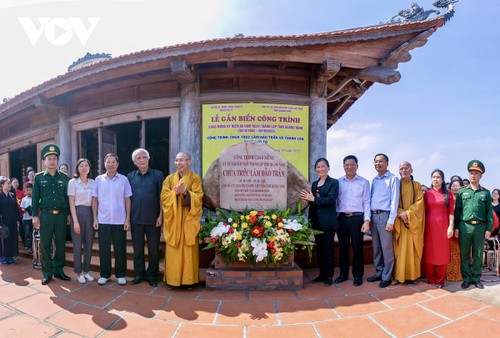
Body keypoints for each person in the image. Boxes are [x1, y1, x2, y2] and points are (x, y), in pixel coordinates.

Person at [161, 152, 204, 290]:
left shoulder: (195, 178)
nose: (179, 163)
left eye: (182, 160)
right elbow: (164, 196)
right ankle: (172, 281)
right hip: (174, 220)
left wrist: (186, 192)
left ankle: (189, 281)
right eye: (176, 160)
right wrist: (175, 193)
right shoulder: (169, 179)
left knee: (188, 250)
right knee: (173, 250)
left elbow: (199, 197)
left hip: (188, 220)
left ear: (189, 162)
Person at [32, 144, 71, 285]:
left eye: (54, 158)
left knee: (61, 243)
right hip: (46, 216)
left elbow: (67, 198)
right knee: (45, 244)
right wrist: (34, 216)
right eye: (49, 158)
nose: (52, 161)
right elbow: (35, 198)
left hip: (61, 215)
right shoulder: (38, 178)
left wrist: (68, 215)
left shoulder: (65, 178)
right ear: (44, 161)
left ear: (58, 160)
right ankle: (47, 273)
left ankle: (59, 271)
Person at [92, 153, 132, 286]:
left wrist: (127, 219)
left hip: (119, 220)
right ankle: (105, 274)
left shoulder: (124, 180)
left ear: (117, 164)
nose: (110, 164)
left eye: (113, 162)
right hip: (103, 220)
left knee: (120, 249)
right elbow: (95, 200)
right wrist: (95, 218)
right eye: (108, 162)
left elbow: (127, 199)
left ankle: (120, 274)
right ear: (104, 164)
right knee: (104, 249)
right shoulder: (98, 180)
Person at [454, 160, 493, 289]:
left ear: (481, 176)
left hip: (480, 227)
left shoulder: (485, 193)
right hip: (465, 226)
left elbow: (489, 213)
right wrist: (456, 227)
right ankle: (466, 278)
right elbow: (457, 212)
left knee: (478, 253)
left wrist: (489, 229)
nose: (473, 176)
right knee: (464, 253)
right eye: (471, 173)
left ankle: (476, 278)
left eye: (476, 173)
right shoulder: (461, 192)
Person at [127, 148, 164, 287]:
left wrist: (161, 215)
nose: (141, 160)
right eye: (138, 158)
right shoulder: (130, 177)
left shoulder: (157, 175)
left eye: (144, 157)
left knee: (153, 249)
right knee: (137, 248)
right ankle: (139, 274)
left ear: (148, 159)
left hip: (153, 219)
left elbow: (162, 197)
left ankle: (152, 275)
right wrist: (127, 218)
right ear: (134, 162)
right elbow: (127, 199)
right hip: (135, 218)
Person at [300, 158, 339, 287]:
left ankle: (329, 276)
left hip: (328, 223)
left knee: (328, 250)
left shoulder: (333, 182)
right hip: (316, 223)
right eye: (318, 167)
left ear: (328, 168)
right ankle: (322, 274)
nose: (320, 169)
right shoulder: (314, 184)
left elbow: (331, 200)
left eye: (323, 166)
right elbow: (312, 204)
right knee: (320, 251)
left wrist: (314, 199)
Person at [335, 155, 370, 287]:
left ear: (357, 166)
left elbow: (367, 202)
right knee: (342, 248)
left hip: (357, 218)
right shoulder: (338, 182)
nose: (349, 167)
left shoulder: (364, 182)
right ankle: (343, 274)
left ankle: (357, 275)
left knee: (357, 248)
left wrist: (367, 220)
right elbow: (336, 202)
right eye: (347, 164)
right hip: (342, 218)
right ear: (343, 166)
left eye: (352, 164)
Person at [368, 153, 399, 288]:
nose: (378, 164)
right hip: (374, 216)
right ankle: (379, 272)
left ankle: (387, 276)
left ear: (387, 163)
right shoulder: (374, 180)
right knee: (376, 247)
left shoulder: (392, 179)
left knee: (386, 248)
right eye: (375, 162)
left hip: (385, 216)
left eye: (381, 161)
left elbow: (394, 201)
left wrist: (391, 220)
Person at [393, 162, 425, 284]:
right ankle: (398, 276)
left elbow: (420, 203)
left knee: (412, 249)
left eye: (406, 168)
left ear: (411, 171)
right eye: (401, 168)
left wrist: (408, 214)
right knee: (399, 251)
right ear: (399, 171)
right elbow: (392, 202)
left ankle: (413, 276)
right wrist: (401, 213)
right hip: (399, 222)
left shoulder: (416, 185)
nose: (404, 170)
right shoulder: (396, 185)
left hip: (413, 222)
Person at [423, 169, 454, 288]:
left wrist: (450, 226)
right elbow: (424, 211)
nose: (435, 179)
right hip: (430, 227)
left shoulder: (448, 194)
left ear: (442, 180)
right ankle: (431, 280)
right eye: (433, 177)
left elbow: (451, 211)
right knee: (430, 252)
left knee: (442, 253)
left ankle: (440, 281)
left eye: (438, 177)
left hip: (443, 227)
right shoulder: (427, 194)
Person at [68, 158, 95, 284]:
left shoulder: (93, 183)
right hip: (77, 213)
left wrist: (95, 218)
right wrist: (75, 221)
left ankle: (86, 271)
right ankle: (78, 272)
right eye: (81, 166)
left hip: (90, 213)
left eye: (86, 165)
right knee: (78, 245)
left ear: (89, 168)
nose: (84, 168)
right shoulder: (73, 182)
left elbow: (95, 202)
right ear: (77, 169)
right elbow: (71, 202)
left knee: (89, 244)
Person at [0, 177, 20, 265]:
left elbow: (16, 209)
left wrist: (18, 220)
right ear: (2, 185)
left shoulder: (12, 195)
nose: (10, 185)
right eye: (8, 183)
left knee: (12, 238)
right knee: (4, 239)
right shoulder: (0, 196)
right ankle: (3, 257)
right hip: (3, 221)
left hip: (12, 221)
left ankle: (10, 256)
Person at [446, 178, 463, 282]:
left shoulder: (463, 200)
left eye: (457, 185)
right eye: (453, 186)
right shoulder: (447, 199)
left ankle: (457, 274)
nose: (455, 187)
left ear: (461, 187)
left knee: (457, 253)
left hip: (459, 229)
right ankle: (447, 273)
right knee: (448, 252)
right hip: (447, 229)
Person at [20, 183, 34, 254]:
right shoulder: (24, 199)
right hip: (26, 219)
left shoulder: (35, 198)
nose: (29, 192)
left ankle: (34, 247)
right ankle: (29, 247)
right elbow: (22, 208)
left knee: (34, 233)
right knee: (27, 233)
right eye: (27, 190)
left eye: (30, 190)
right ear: (25, 191)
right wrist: (25, 210)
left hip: (33, 219)